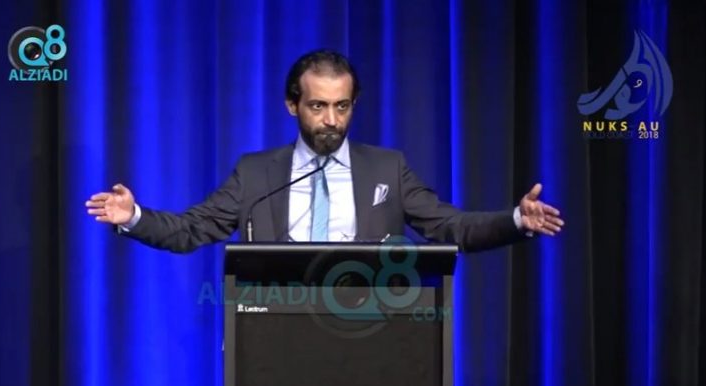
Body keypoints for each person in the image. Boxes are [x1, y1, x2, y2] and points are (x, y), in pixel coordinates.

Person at [85, 50, 563, 252]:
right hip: (275, 336)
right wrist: (134, 216)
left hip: (368, 333)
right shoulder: (256, 174)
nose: (331, 120)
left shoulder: (388, 169)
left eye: (342, 106)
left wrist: (515, 220)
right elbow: (192, 229)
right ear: (293, 105)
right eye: (318, 106)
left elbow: (450, 226)